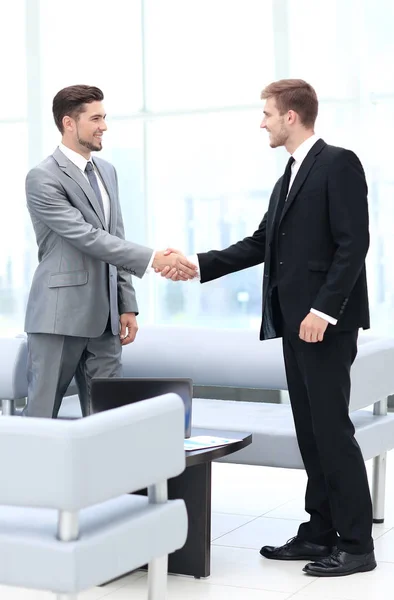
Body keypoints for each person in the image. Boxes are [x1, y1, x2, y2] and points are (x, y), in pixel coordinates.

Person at [157, 79, 376, 577]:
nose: (262, 122)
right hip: (293, 325)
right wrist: (195, 263)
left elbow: (353, 244)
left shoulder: (338, 163)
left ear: (291, 116)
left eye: (267, 114)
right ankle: (320, 531)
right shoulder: (290, 176)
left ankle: (357, 545)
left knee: (332, 431)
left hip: (323, 324)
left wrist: (325, 310)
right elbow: (261, 243)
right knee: (310, 430)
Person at [25, 84, 196, 419]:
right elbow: (87, 237)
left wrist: (126, 303)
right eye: (96, 118)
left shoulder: (107, 172)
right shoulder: (42, 178)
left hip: (106, 322)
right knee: (41, 419)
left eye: (104, 117)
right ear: (69, 123)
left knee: (109, 419)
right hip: (59, 318)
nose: (104, 125)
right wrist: (152, 259)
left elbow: (115, 236)